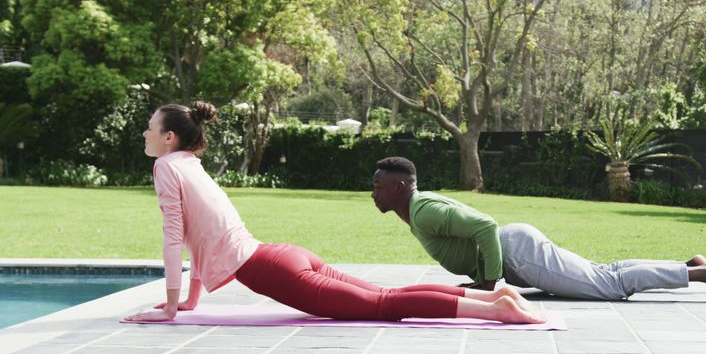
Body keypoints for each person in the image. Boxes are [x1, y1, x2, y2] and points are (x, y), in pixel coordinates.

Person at [124, 102, 543, 324]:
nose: (144, 133)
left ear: (170, 137)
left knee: (382, 305)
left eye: (149, 127)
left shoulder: (165, 166)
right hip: (281, 255)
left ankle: (493, 310)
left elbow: (175, 237)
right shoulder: (189, 166)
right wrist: (188, 302)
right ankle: (492, 295)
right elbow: (201, 235)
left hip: (271, 270)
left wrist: (170, 305)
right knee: (385, 297)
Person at [371, 156, 706, 301]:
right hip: (520, 250)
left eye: (378, 185)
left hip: (520, 253)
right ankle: (689, 263)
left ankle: (704, 273)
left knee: (609, 287)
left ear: (399, 188)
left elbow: (485, 227)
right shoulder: (420, 208)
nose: (373, 191)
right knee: (606, 273)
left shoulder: (423, 212)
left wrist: (488, 284)